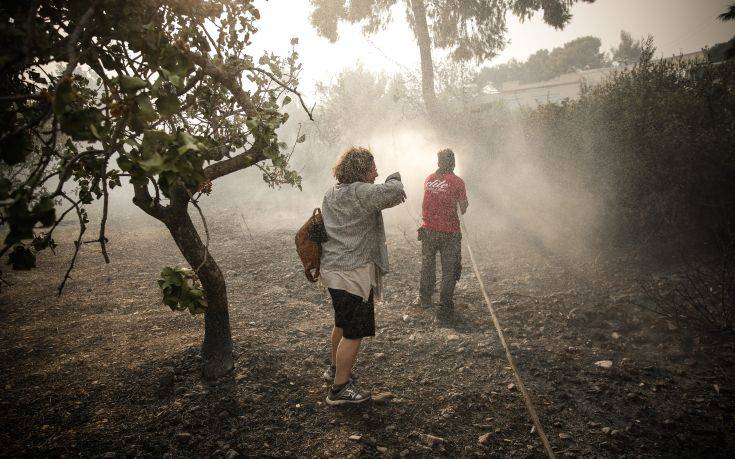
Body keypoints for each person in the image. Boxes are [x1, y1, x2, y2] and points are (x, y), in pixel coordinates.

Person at [319, 146, 405, 405]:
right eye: (372, 168)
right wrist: (394, 177)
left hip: (333, 271)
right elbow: (395, 192)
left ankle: (335, 369)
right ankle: (340, 389)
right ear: (360, 170)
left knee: (342, 323)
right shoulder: (360, 192)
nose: (376, 172)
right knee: (354, 332)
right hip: (352, 274)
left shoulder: (332, 192)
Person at [418, 148, 468, 322]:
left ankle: (424, 299)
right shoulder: (457, 182)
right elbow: (463, 207)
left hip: (428, 229)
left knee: (428, 266)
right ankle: (445, 303)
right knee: (450, 269)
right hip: (449, 232)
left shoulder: (429, 179)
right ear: (453, 163)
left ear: (438, 162)